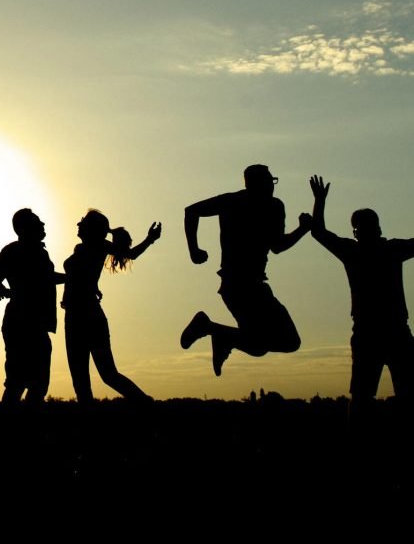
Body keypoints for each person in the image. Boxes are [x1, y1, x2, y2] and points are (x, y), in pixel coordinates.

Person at [180, 165, 310, 376]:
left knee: (258, 345)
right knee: (286, 341)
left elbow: (276, 245)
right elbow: (191, 211)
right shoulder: (246, 203)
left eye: (273, 181)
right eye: (268, 182)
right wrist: (193, 249)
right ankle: (210, 329)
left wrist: (194, 250)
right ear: (253, 185)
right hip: (242, 287)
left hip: (243, 286)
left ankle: (217, 333)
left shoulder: (265, 205)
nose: (272, 186)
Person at [307, 175, 412, 420]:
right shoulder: (390, 250)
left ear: (356, 231)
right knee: (376, 395)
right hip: (388, 332)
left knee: (364, 397)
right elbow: (319, 233)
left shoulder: (355, 251)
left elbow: (318, 232)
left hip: (375, 332)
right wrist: (319, 201)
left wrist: (320, 201)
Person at [63, 210, 159, 403]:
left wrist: (149, 240)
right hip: (74, 315)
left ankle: (145, 403)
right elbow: (80, 276)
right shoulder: (80, 249)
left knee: (106, 374)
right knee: (81, 379)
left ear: (91, 229)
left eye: (82, 221)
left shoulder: (99, 245)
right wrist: (92, 286)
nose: (78, 224)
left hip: (88, 315)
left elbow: (131, 254)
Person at [0, 209, 64, 405]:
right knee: (18, 382)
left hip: (35, 324)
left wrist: (72, 278)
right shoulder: (13, 251)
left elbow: (47, 278)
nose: (42, 224)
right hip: (21, 323)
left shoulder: (39, 252)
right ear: (24, 228)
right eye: (37, 221)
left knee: (35, 384)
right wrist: (4, 291)